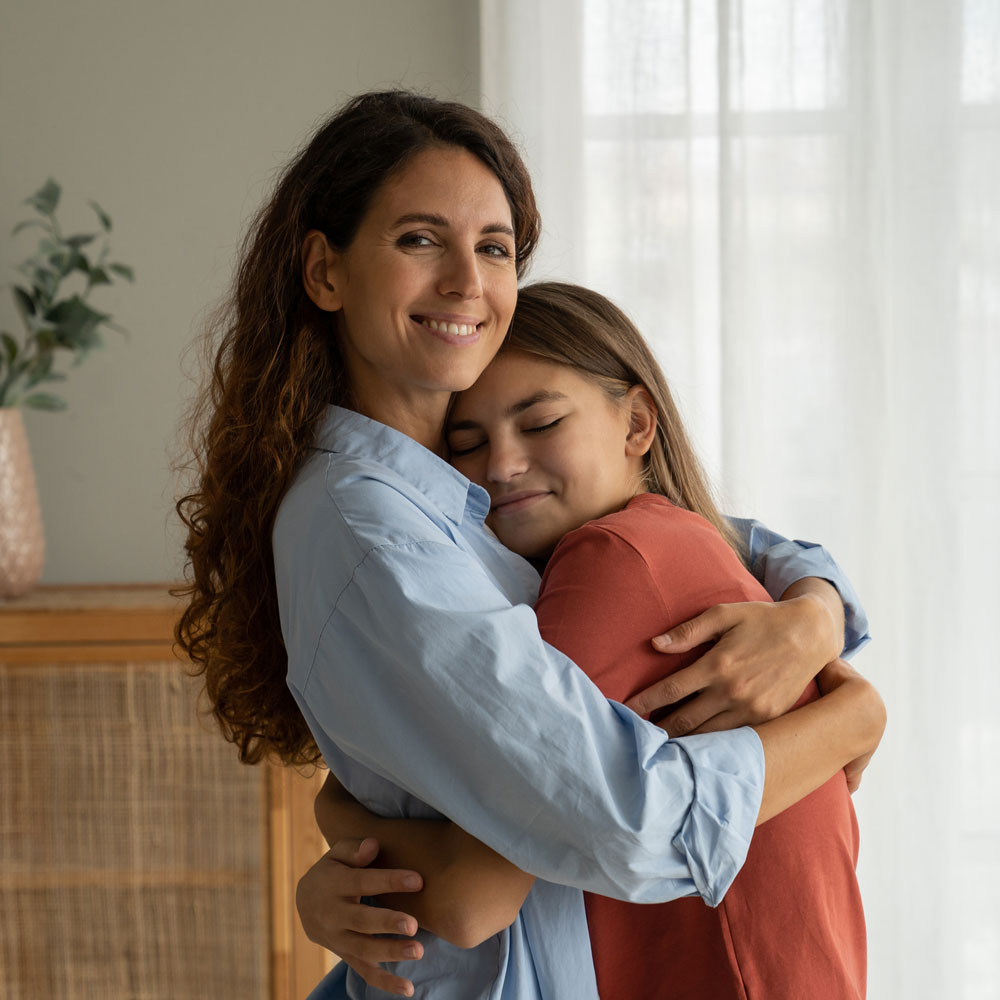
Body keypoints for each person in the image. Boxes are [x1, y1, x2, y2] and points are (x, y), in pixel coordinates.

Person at [175, 90, 878, 1000]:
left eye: (495, 247)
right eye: (420, 239)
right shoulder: (372, 530)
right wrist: (851, 721)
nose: (468, 281)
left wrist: (817, 607)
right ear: (325, 272)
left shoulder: (458, 493)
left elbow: (680, 525)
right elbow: (632, 824)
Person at [307, 281, 874, 999]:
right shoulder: (673, 536)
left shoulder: (612, 563)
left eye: (540, 423)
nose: (503, 465)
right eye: (468, 442)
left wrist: (334, 817)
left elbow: (469, 895)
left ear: (638, 423)